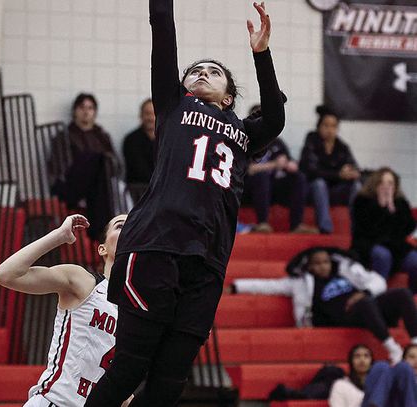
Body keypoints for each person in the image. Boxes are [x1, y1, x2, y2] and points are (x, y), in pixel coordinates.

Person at [85, 1, 285, 406]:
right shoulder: (174, 105)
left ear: (229, 97)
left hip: (208, 260)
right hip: (157, 245)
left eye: (214, 71)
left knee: (170, 381)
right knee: (131, 365)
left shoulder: (245, 132)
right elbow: (162, 27)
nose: (202, 74)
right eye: (195, 71)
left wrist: (261, 53)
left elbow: (276, 118)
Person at [0, 214, 132, 407]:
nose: (129, 230)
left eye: (134, 226)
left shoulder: (137, 313)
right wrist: (59, 235)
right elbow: (5, 274)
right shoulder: (84, 282)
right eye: (120, 226)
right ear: (102, 248)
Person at [232, 247, 417, 363]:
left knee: (402, 293)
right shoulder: (301, 282)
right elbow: (268, 286)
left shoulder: (346, 271)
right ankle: (394, 350)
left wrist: (365, 292)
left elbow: (377, 281)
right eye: (317, 263)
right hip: (344, 317)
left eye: (326, 262)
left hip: (368, 307)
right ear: (310, 266)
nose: (323, 266)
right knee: (365, 304)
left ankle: (415, 343)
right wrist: (236, 286)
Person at [48, 94, 121, 240]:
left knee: (101, 165)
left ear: (95, 112)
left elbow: (116, 166)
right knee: (97, 160)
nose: (86, 112)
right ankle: (102, 232)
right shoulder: (64, 136)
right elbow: (60, 169)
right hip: (71, 186)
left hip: (98, 187)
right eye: (82, 107)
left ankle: (100, 232)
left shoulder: (102, 136)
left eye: (90, 108)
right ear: (75, 111)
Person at [244, 104, 317, 234]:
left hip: (273, 186)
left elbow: (289, 162)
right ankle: (263, 223)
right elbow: (248, 169)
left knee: (299, 177)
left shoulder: (276, 141)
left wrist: (290, 165)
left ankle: (296, 225)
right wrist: (274, 165)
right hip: (251, 187)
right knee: (262, 176)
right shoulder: (245, 141)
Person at [351, 167, 417, 291]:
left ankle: (413, 296)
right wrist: (380, 208)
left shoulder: (400, 203)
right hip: (369, 244)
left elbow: (408, 227)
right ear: (375, 184)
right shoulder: (362, 201)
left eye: (390, 183)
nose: (386, 186)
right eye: (382, 182)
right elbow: (365, 229)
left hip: (396, 246)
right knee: (382, 255)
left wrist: (392, 209)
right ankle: (378, 293)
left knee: (414, 260)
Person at [299, 105, 360, 234]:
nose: (329, 130)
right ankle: (325, 228)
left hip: (335, 191)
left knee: (357, 186)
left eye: (333, 126)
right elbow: (311, 170)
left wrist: (350, 171)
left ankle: (357, 228)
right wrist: (338, 174)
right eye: (326, 125)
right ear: (319, 126)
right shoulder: (312, 140)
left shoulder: (342, 146)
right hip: (315, 191)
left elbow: (354, 167)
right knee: (319, 183)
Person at [122, 99, 156, 203]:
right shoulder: (131, 140)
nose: (150, 118)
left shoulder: (167, 139)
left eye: (153, 114)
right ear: (141, 116)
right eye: (147, 114)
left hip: (161, 190)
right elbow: (139, 170)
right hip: (136, 193)